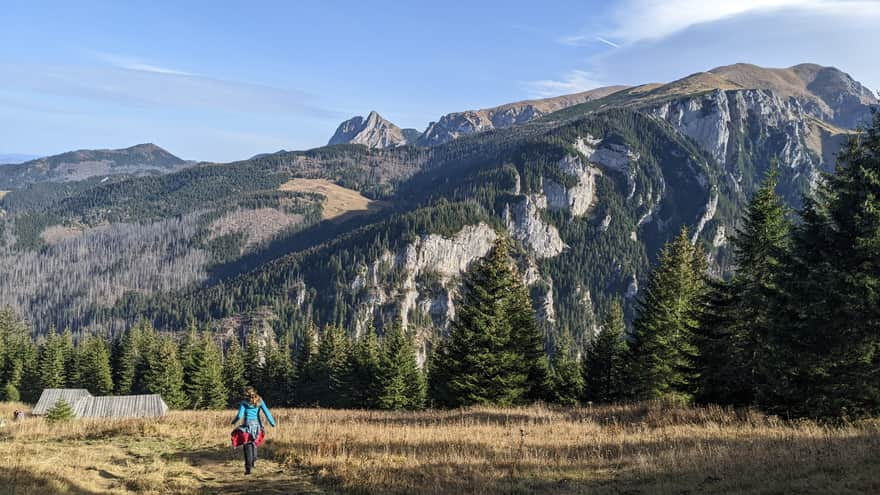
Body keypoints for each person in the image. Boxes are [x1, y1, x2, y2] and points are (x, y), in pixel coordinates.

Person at [230, 386, 276, 475]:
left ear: (245, 394)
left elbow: (239, 416)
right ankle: (254, 460)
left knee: (247, 445)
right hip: (257, 427)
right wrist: (272, 423)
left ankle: (248, 469)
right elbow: (267, 413)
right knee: (254, 443)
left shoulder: (244, 403)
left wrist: (233, 422)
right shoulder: (260, 401)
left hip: (247, 427)